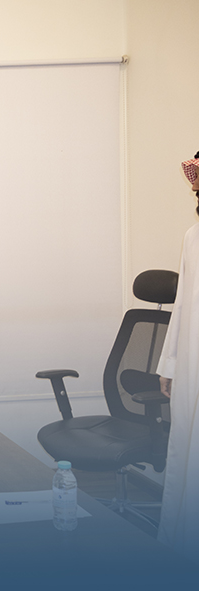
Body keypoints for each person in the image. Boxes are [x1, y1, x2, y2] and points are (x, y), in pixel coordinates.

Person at [156, 153, 199, 558]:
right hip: (192, 363)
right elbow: (182, 304)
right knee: (188, 455)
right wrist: (169, 364)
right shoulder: (193, 235)